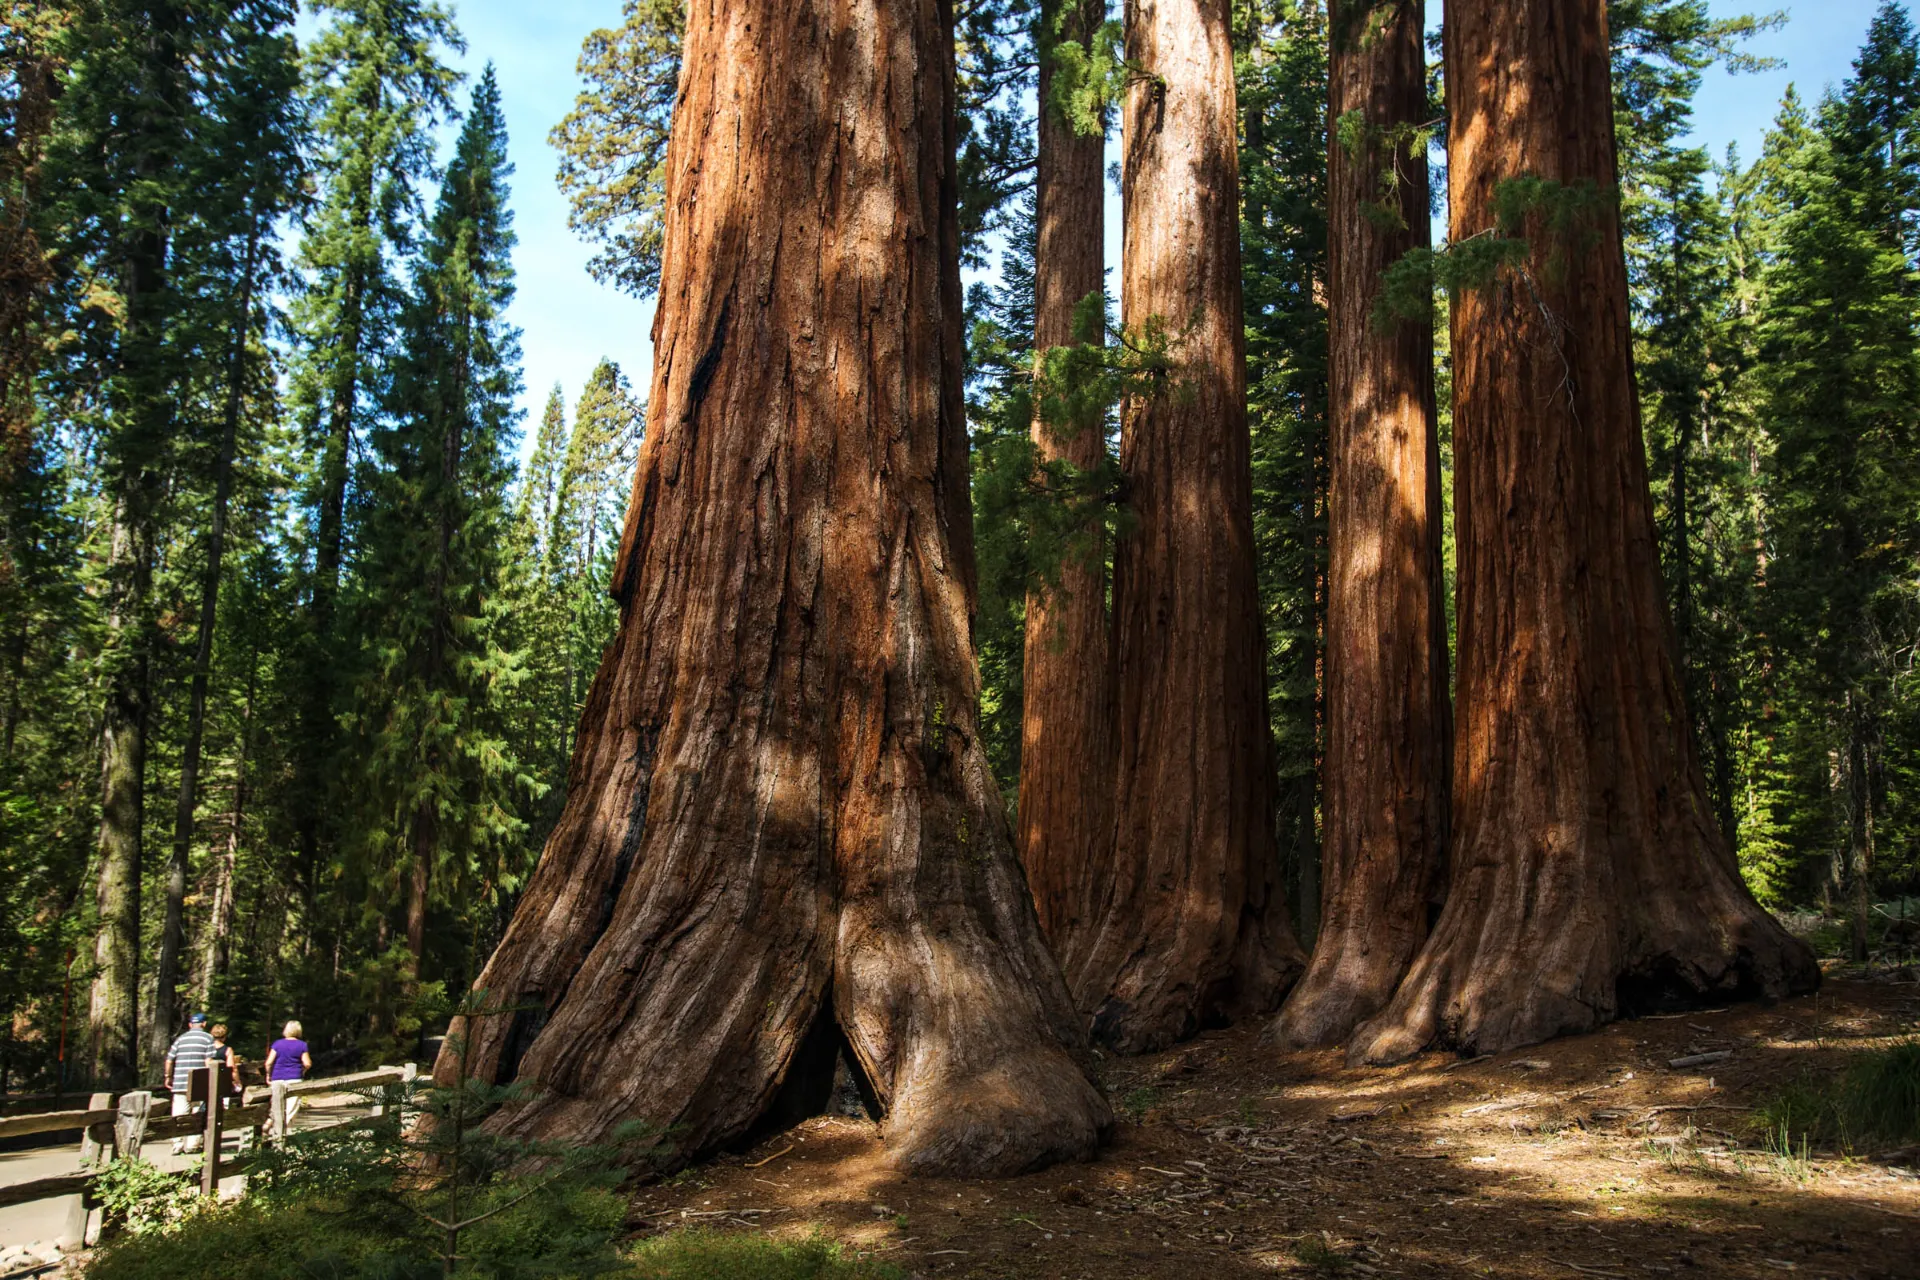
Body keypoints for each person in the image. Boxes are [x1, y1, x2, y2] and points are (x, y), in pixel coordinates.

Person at [162, 1013, 217, 1154]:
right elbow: (209, 1061)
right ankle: (193, 1145)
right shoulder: (208, 1038)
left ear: (190, 1025)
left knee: (179, 1114)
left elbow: (169, 1060)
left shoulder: (181, 1039)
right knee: (197, 1113)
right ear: (204, 1024)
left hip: (180, 1082)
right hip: (199, 1083)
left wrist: (168, 1076)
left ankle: (177, 1144)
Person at [264, 1020, 312, 1135]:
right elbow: (307, 1063)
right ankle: (280, 1132)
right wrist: (303, 1071)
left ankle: (269, 1124)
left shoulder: (277, 1044)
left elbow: (268, 1063)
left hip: (277, 1078)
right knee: (291, 1108)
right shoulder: (302, 1045)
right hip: (294, 1078)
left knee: (276, 1104)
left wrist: (268, 1075)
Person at [208, 1022, 242, 1102]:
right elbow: (232, 1068)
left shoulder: (207, 1048)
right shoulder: (228, 1050)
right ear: (224, 1037)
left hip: (208, 1082)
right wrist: (238, 1082)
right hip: (222, 1082)